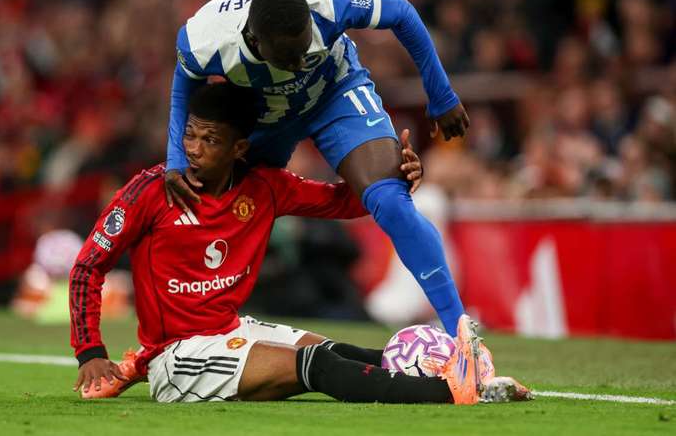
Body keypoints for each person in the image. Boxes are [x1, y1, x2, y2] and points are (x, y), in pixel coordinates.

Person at [70, 82, 531, 405]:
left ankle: (453, 368)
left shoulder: (265, 187)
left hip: (228, 331)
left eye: (210, 139)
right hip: (178, 357)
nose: (192, 148)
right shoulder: (151, 191)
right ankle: (455, 393)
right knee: (316, 366)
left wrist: (395, 178)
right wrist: (90, 352)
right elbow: (88, 266)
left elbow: (344, 201)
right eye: (189, 133)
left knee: (338, 353)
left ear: (239, 148)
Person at [165, 0, 469, 337]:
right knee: (216, 204)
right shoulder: (204, 39)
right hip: (265, 114)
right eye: (287, 56)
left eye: (304, 47)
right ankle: (196, 331)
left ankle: (461, 334)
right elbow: (184, 86)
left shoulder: (328, 1)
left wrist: (441, 94)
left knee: (390, 200)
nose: (299, 63)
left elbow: (402, 12)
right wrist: (176, 159)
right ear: (255, 41)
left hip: (335, 93)